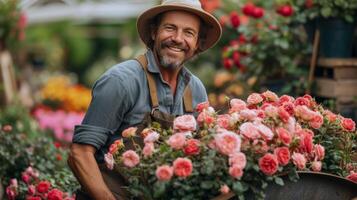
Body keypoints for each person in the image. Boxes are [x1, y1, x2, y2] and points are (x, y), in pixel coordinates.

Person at [67, 0, 222, 199]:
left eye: (188, 33)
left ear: (198, 43)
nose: (177, 38)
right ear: (153, 32)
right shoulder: (121, 81)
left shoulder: (196, 89)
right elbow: (79, 153)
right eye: (170, 28)